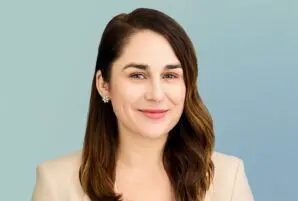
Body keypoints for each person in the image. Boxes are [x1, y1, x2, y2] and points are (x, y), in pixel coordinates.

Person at [31, 8, 254, 201]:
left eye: (170, 76)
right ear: (103, 84)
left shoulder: (228, 178)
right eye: (137, 75)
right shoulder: (56, 183)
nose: (156, 95)